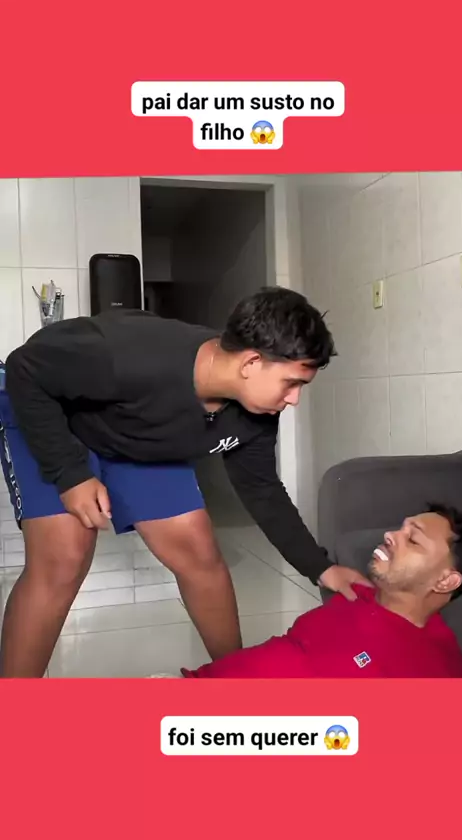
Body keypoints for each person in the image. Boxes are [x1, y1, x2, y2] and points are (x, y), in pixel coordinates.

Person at [0, 286, 370, 678]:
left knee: (197, 550)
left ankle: (233, 681)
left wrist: (320, 568)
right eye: (292, 383)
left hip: (133, 436)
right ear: (251, 362)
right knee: (64, 557)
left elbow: (262, 489)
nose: (294, 399)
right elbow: (25, 369)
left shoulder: (256, 414)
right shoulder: (128, 353)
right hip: (51, 415)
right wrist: (70, 474)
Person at [182, 505, 462, 678]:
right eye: (400, 528)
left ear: (445, 581)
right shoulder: (360, 595)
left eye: (413, 540)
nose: (390, 535)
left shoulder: (427, 668)